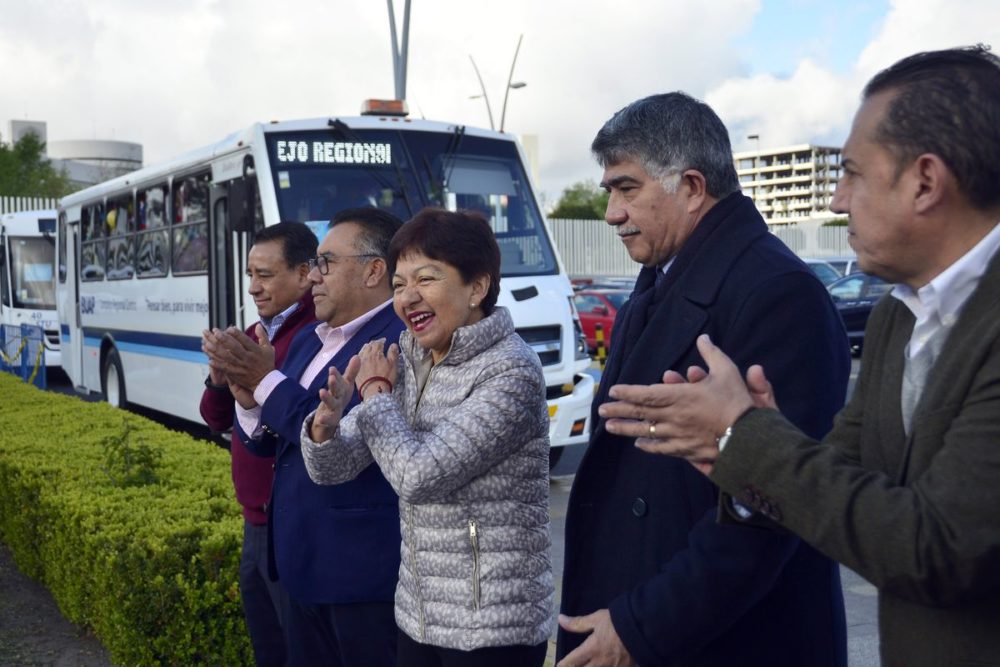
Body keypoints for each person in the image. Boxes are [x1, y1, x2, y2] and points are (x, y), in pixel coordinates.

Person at [598, 46, 1000, 665]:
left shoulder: (784, 292)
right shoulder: (902, 311)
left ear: (925, 181)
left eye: (853, 173)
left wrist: (745, 437)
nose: (837, 201)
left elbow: (939, 550)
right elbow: (832, 471)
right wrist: (741, 452)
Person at [556, 92, 850, 667]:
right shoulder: (662, 272)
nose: (611, 212)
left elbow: (769, 511)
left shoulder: (778, 294)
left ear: (691, 187)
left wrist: (642, 627)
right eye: (608, 191)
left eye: (627, 188)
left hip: (725, 638)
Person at [299, 208, 554, 667]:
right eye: (398, 285)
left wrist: (374, 395)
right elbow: (335, 468)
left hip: (491, 625)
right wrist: (326, 427)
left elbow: (418, 476)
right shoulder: (412, 358)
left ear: (477, 286)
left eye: (427, 279)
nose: (408, 297)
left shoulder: (511, 370)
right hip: (418, 613)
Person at [204, 207, 405, 667]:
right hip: (297, 564)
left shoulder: (393, 342)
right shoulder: (308, 340)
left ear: (374, 270)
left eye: (327, 263)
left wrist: (267, 382)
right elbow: (274, 442)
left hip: (359, 576)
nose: (313, 275)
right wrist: (249, 397)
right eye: (314, 263)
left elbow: (337, 434)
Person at [200, 221, 316, 667]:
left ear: (305, 274)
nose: (253, 287)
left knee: (296, 649)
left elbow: (298, 424)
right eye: (251, 274)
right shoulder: (253, 336)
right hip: (254, 522)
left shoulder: (314, 336)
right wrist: (218, 376)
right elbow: (214, 419)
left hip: (288, 521)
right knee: (267, 647)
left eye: (265, 275)